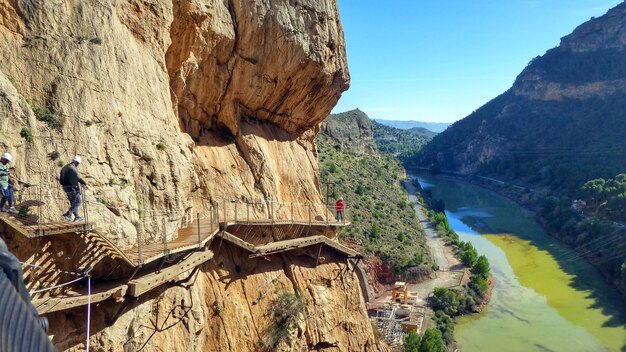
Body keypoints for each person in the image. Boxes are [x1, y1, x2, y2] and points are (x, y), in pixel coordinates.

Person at [59, 155, 87, 222]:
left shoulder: (65, 167)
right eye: (77, 163)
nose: (78, 165)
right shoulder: (72, 168)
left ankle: (76, 216)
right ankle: (68, 214)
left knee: (73, 202)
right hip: (72, 188)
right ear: (75, 162)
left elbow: (61, 176)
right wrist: (84, 183)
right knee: (78, 201)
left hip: (66, 187)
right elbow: (78, 178)